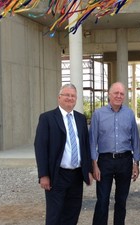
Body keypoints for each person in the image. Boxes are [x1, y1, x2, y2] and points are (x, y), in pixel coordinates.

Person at [34, 83, 93, 225]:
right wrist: (44, 175)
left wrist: (88, 170)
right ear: (59, 97)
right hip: (57, 175)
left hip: (77, 175)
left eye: (73, 96)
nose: (70, 98)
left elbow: (85, 146)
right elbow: (40, 147)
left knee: (72, 213)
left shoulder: (80, 119)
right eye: (67, 95)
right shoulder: (47, 118)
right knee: (55, 214)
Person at [90, 82, 140, 225]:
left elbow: (135, 140)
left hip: (125, 160)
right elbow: (92, 141)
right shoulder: (98, 114)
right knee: (102, 200)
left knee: (121, 200)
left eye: (121, 94)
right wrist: (94, 165)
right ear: (109, 94)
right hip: (104, 161)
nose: (119, 96)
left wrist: (136, 163)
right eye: (116, 93)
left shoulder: (129, 114)